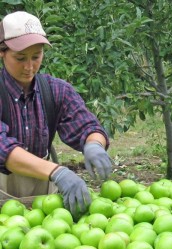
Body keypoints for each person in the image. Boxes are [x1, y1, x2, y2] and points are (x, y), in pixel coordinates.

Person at [0, 11, 112, 217]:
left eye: (36, 56)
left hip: (44, 197)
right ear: (2, 52)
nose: (29, 66)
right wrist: (57, 171)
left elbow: (86, 126)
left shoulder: (55, 90)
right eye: (20, 58)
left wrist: (94, 144)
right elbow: (3, 148)